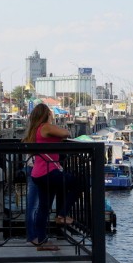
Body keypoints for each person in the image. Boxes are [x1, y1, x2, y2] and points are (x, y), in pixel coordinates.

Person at [23, 103, 81, 251]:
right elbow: (66, 133)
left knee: (44, 208)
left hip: (38, 173)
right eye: (50, 113)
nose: (51, 115)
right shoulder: (45, 127)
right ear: (46, 114)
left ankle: (41, 241)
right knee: (79, 183)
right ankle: (62, 215)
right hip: (48, 171)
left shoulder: (35, 129)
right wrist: (54, 125)